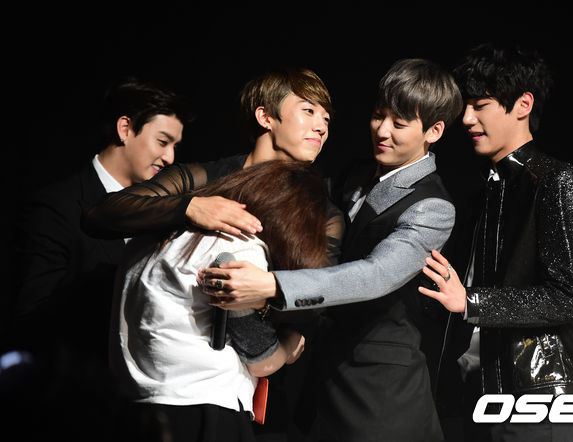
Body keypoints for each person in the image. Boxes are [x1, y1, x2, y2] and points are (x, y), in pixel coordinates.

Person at [200, 58, 463, 441]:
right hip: (319, 378)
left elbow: (374, 275)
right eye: (378, 115)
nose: (382, 131)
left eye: (399, 123)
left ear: (434, 131)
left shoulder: (433, 208)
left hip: (381, 390)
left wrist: (272, 286)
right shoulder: (355, 174)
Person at [82, 66, 341, 441]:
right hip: (165, 389)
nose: (321, 127)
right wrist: (190, 207)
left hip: (249, 393)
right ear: (265, 116)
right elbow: (101, 214)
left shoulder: (323, 214)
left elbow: (317, 296)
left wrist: (279, 340)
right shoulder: (205, 178)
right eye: (309, 111)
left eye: (327, 119)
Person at [418, 42, 573, 442]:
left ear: (523, 105)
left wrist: (471, 301)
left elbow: (564, 297)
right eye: (465, 106)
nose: (466, 118)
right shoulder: (482, 196)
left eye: (480, 105)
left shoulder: (559, 182)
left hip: (539, 400)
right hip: (475, 395)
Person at [4, 77, 194, 441]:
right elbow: (30, 317)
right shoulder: (56, 207)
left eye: (175, 146)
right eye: (163, 141)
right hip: (75, 411)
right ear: (125, 129)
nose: (170, 158)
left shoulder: (163, 219)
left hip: (145, 410)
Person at [112, 160, 332, 442]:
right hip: (204, 408)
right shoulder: (237, 249)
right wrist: (289, 346)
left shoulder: (151, 237)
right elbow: (260, 359)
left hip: (135, 409)